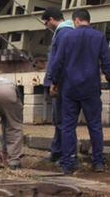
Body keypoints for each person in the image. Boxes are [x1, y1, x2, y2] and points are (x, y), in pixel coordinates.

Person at [44, 8, 110, 174]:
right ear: (87, 20)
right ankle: (98, 162)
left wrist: (54, 82)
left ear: (76, 21)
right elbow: (106, 62)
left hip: (70, 88)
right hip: (91, 87)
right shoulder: (99, 37)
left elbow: (58, 62)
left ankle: (69, 163)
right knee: (95, 125)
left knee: (68, 126)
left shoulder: (67, 36)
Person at [41, 9, 74, 164]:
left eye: (46, 22)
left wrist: (54, 82)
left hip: (61, 84)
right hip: (66, 83)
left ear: (52, 19)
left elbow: (58, 60)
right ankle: (58, 151)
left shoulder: (62, 33)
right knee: (61, 120)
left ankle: (62, 154)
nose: (46, 26)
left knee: (60, 120)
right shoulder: (67, 32)